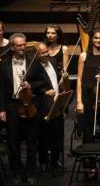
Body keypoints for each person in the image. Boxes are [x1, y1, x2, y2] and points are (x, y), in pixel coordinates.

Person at [0, 33, 42, 183]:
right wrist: (2, 109)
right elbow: (1, 89)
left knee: (31, 141)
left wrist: (31, 85)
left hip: (30, 104)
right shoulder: (4, 64)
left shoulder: (33, 61)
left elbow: (42, 81)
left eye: (24, 44)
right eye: (19, 45)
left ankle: (30, 173)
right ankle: (16, 172)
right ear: (12, 47)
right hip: (12, 105)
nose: (23, 47)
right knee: (13, 141)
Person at [74, 28, 100, 174]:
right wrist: (79, 101)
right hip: (87, 96)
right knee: (88, 132)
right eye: (95, 38)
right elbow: (79, 80)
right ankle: (90, 166)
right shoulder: (83, 56)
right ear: (91, 39)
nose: (98, 40)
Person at [33, 43, 65, 173]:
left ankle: (54, 162)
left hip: (56, 104)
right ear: (36, 54)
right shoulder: (34, 66)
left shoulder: (52, 60)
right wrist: (44, 91)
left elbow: (55, 79)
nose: (46, 54)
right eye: (42, 53)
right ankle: (44, 162)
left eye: (47, 51)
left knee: (57, 134)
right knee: (44, 136)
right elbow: (30, 83)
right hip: (43, 106)